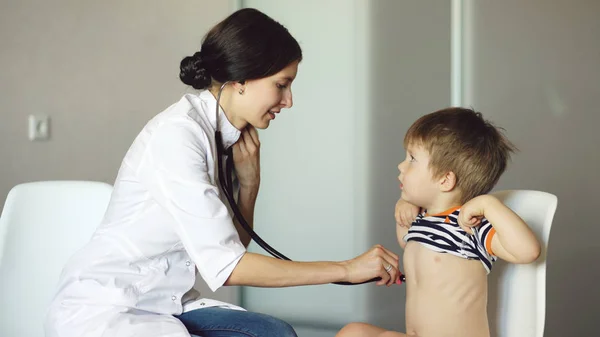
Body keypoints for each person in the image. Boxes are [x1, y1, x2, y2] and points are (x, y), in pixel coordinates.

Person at [44, 8, 401, 337]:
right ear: (241, 79)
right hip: (112, 306)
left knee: (273, 333)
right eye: (281, 84)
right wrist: (346, 269)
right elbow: (229, 268)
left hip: (165, 302)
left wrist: (250, 185)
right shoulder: (178, 136)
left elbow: (229, 249)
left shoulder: (222, 135)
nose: (289, 100)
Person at [335, 108, 541, 337]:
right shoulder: (423, 220)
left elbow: (528, 251)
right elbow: (409, 245)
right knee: (354, 332)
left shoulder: (469, 224)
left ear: (445, 179)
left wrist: (489, 205)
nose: (401, 166)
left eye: (412, 159)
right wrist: (404, 209)